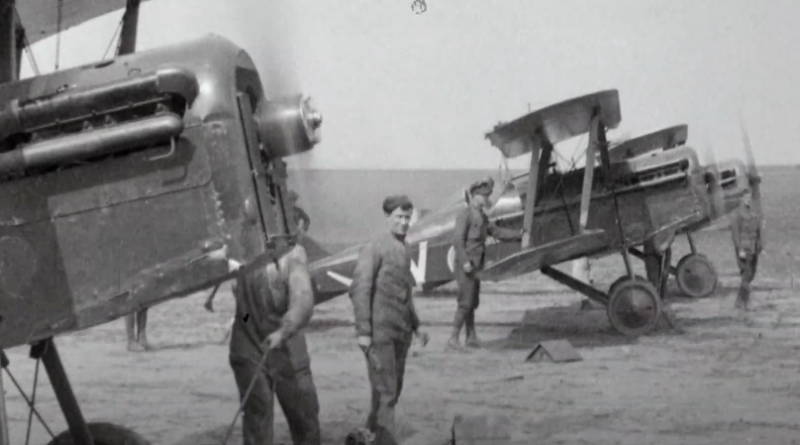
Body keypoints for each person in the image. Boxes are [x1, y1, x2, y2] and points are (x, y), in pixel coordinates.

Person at [349, 194, 430, 445]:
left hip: (400, 334)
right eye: (399, 217)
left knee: (388, 392)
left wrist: (417, 327)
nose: (404, 223)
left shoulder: (405, 248)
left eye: (407, 218)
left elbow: (405, 292)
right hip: (380, 334)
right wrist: (364, 332)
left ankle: (366, 438)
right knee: (386, 392)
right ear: (388, 217)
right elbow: (359, 289)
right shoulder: (374, 247)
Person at [227, 242, 321, 445]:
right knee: (257, 420)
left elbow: (303, 301)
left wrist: (284, 330)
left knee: (304, 416)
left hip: (287, 346)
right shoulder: (238, 255)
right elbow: (242, 310)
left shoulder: (292, 255)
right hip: (249, 347)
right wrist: (243, 320)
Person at [448, 177, 523, 351]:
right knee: (465, 302)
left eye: (487, 195)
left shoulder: (482, 216)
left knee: (472, 300)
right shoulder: (465, 214)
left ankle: (471, 337)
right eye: (483, 195)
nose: (486, 198)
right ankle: (452, 339)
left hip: (476, 265)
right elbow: (457, 241)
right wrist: (465, 262)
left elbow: (497, 232)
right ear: (474, 196)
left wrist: (519, 234)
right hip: (465, 265)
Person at [730, 190, 762, 310]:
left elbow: (758, 232)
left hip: (753, 248)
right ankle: (748, 302)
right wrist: (740, 249)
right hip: (744, 248)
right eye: (746, 197)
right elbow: (736, 234)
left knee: (751, 274)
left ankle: (739, 301)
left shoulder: (753, 214)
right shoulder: (737, 215)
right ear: (741, 199)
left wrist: (760, 246)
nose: (748, 200)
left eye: (749, 197)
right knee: (746, 274)